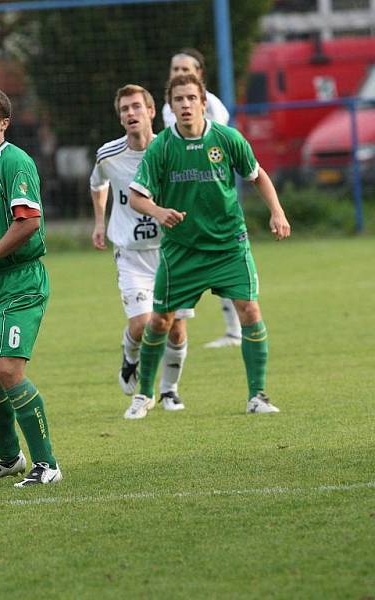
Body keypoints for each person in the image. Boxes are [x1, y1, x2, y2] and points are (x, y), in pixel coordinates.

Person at [129, 73, 290, 415]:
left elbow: (257, 174)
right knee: (160, 321)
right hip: (182, 251)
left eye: (191, 98)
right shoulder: (162, 147)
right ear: (170, 108)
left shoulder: (227, 138)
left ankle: (257, 396)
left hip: (229, 245)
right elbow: (136, 197)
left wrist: (277, 212)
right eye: (178, 100)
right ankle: (143, 395)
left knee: (250, 309)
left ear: (203, 102)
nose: (185, 105)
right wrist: (159, 211)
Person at [0, 83, 61, 487]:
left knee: (8, 369)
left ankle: (47, 464)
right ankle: (8, 458)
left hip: (21, 281)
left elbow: (28, 222)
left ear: (4, 122)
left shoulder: (14, 162)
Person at [90, 84, 190, 419]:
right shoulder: (109, 155)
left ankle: (170, 390)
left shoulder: (171, 149)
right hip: (131, 253)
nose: (130, 114)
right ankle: (130, 358)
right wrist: (100, 223)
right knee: (143, 323)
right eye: (124, 109)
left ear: (151, 111)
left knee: (175, 327)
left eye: (136, 107)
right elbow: (97, 184)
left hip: (171, 250)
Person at [162, 47, 242, 349]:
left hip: (211, 198)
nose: (180, 75)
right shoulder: (168, 108)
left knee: (224, 262)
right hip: (181, 197)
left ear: (200, 75)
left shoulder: (215, 109)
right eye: (175, 70)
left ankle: (235, 330)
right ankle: (167, 328)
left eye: (186, 70)